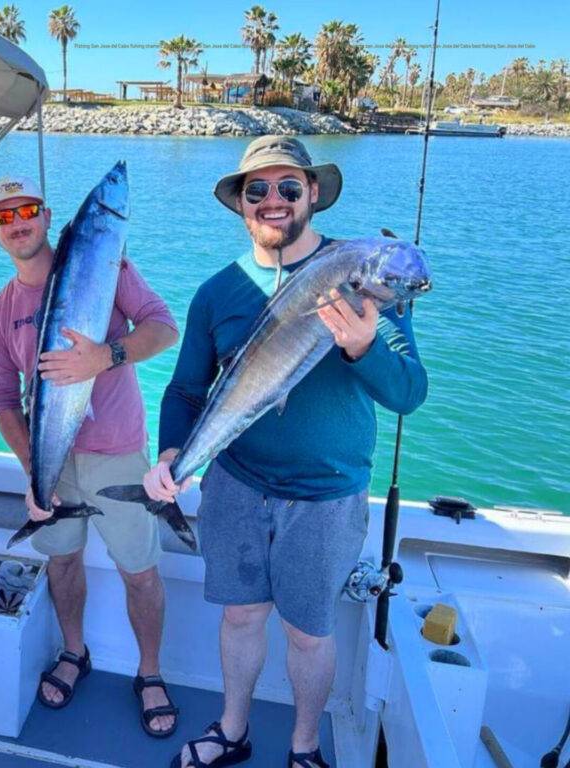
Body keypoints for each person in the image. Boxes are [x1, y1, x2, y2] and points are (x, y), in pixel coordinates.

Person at [147, 136, 428, 768]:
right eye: (258, 189)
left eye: (288, 187)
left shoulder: (367, 280)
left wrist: (363, 347)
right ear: (241, 203)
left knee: (308, 634)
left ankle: (303, 748)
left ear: (313, 194)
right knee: (241, 618)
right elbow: (185, 389)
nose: (272, 200)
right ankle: (232, 730)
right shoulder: (217, 292)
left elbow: (409, 393)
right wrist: (169, 456)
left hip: (326, 498)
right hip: (235, 486)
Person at [0, 175, 182, 738]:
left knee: (139, 572)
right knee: (63, 562)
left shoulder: (105, 265)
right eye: (4, 216)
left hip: (118, 452)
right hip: (53, 460)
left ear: (47, 216)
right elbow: (4, 404)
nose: (18, 222)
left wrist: (105, 357)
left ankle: (150, 672)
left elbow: (163, 328)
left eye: (26, 210)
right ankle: (74, 652)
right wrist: (33, 471)